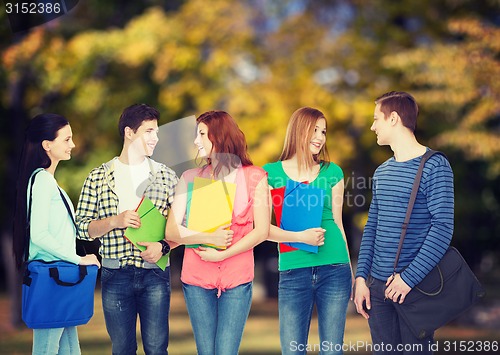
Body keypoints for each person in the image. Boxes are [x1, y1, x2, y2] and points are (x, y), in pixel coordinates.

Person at [354, 91, 454, 354]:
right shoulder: (382, 171)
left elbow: (442, 228)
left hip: (414, 288)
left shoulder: (435, 166)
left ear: (394, 119)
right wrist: (362, 277)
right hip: (377, 289)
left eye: (377, 119)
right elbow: (372, 226)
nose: (373, 126)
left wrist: (408, 279)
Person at [75, 104, 178, 354]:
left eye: (157, 131)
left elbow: (182, 229)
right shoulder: (99, 176)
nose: (156, 138)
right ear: (129, 132)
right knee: (122, 349)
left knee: (156, 349)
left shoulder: (166, 176)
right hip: (115, 274)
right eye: (149, 131)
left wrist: (163, 246)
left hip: (155, 273)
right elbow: (81, 229)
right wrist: (114, 221)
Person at [165, 110, 270, 355]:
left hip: (237, 278)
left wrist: (223, 254)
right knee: (206, 351)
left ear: (219, 136)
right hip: (197, 277)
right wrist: (207, 238)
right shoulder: (190, 178)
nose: (195, 141)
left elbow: (262, 231)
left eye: (201, 134)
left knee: (225, 351)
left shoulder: (255, 177)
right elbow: (172, 230)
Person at [263, 107, 353, 355]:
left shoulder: (333, 172)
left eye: (323, 131)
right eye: (314, 130)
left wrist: (352, 273)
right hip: (293, 270)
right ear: (298, 130)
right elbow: (262, 229)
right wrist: (300, 237)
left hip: (335, 267)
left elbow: (338, 223)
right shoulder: (270, 173)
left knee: (332, 350)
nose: (320, 137)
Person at [13, 113, 101, 355]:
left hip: (58, 279)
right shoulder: (42, 181)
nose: (72, 144)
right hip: (52, 278)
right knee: (46, 349)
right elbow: (39, 235)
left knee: (70, 350)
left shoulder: (47, 181)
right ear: (47, 145)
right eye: (67, 139)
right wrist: (79, 259)